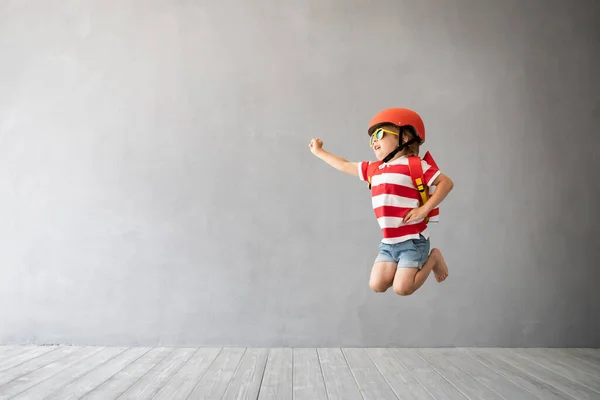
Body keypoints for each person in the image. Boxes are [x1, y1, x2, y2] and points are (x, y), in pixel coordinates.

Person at [309, 108, 454, 296]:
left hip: (413, 240)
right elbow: (344, 165)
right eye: (371, 139)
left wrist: (425, 209)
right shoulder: (374, 169)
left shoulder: (414, 165)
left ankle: (433, 258)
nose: (373, 141)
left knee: (403, 288)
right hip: (389, 242)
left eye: (379, 134)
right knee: (377, 285)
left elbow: (446, 183)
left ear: (404, 138)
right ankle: (403, 265)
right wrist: (319, 152)